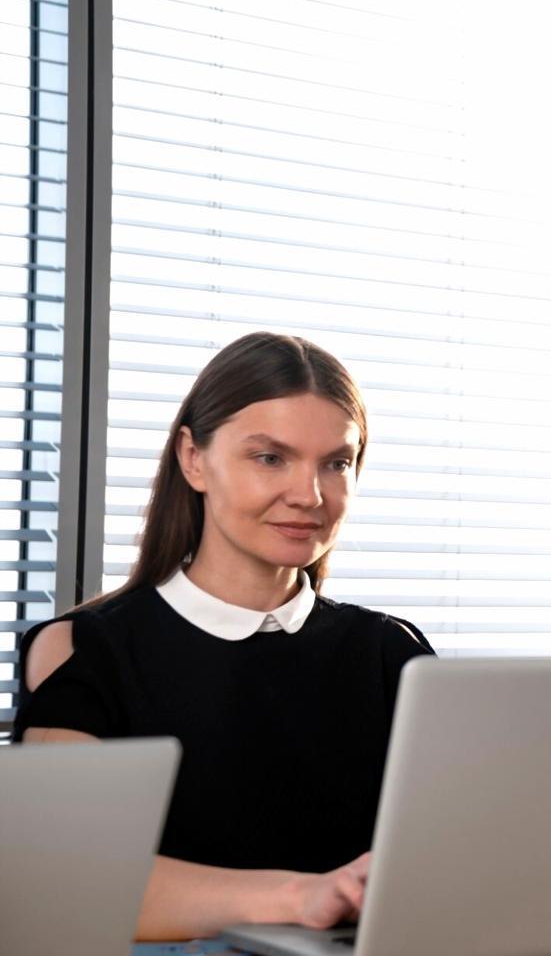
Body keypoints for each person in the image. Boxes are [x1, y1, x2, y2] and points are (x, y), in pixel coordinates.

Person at [17, 332, 434, 940]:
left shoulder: (392, 655)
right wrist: (301, 896)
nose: (309, 495)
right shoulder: (84, 651)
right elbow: (69, 883)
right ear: (193, 459)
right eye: (270, 457)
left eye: (336, 463)